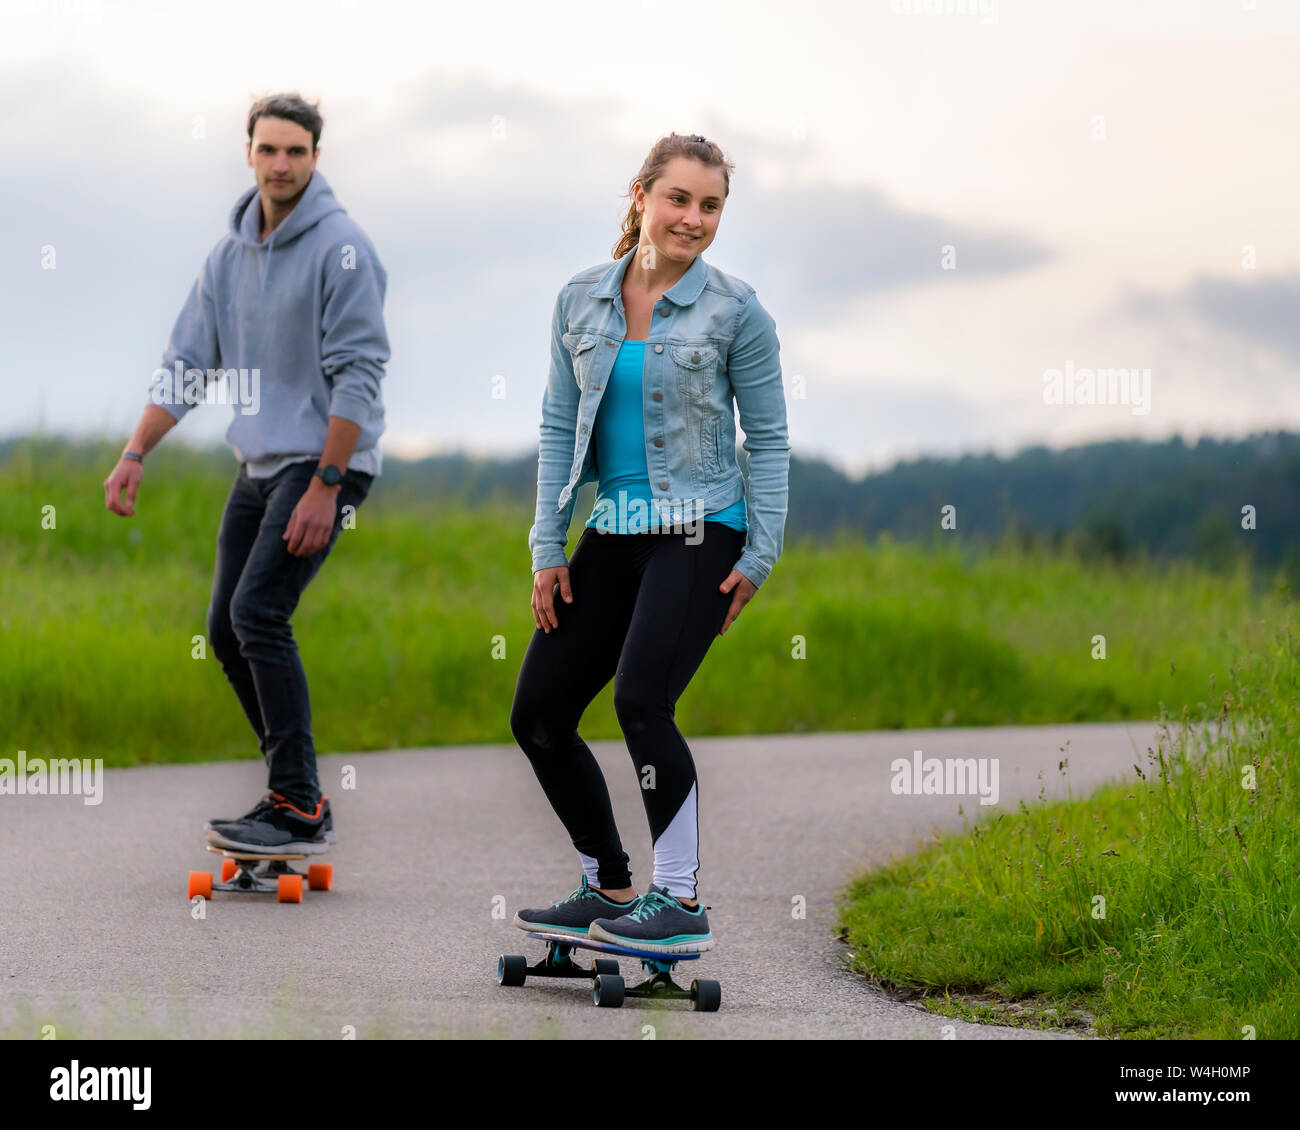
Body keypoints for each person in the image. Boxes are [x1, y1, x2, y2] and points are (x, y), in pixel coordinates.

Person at [509, 132, 790, 953]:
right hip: (611, 531)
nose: (692, 219)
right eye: (679, 199)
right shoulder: (579, 300)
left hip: (703, 529)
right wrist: (547, 547)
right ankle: (610, 882)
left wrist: (758, 555)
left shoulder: (737, 312)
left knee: (640, 700)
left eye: (710, 206)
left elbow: (768, 441)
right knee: (540, 715)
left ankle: (678, 900)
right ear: (641, 195)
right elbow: (558, 424)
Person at [102, 93, 389, 855]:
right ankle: (297, 795)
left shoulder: (343, 248)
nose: (282, 164)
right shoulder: (228, 257)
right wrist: (136, 452)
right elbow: (189, 363)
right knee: (225, 628)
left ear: (316, 158)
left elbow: (360, 371)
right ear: (250, 153)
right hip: (259, 462)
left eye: (297, 151)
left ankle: (295, 803)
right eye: (269, 150)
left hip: (325, 463)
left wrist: (329, 484)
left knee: (258, 612)